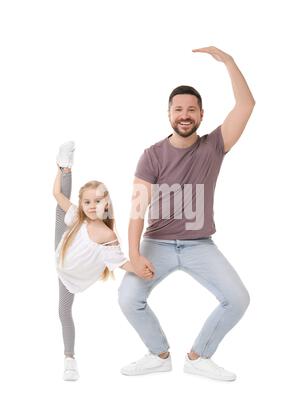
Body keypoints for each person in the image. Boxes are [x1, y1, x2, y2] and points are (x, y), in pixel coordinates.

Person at [118, 46, 255, 381]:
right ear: (169, 114)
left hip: (199, 245)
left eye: (191, 109)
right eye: (178, 109)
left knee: (238, 299)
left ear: (201, 115)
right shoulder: (151, 155)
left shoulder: (214, 146)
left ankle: (199, 356)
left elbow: (246, 105)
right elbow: (138, 209)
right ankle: (159, 354)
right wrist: (134, 255)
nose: (184, 114)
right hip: (157, 243)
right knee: (128, 299)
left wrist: (230, 61)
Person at [53, 142, 144, 381]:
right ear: (83, 204)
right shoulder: (77, 217)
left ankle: (69, 358)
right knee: (61, 209)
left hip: (70, 275)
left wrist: (142, 270)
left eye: (97, 201)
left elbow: (122, 263)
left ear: (107, 203)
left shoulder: (107, 236)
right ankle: (65, 167)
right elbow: (57, 194)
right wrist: (58, 171)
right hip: (60, 248)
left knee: (63, 311)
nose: (92, 206)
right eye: (87, 202)